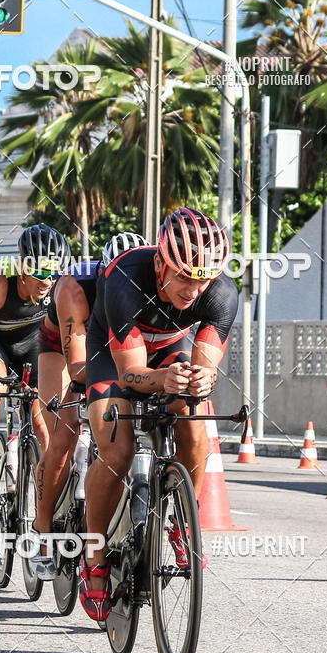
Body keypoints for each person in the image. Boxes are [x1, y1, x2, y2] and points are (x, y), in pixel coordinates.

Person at [80, 207, 239, 622]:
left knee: (195, 421)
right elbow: (131, 374)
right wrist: (161, 379)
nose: (194, 289)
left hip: (171, 347)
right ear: (159, 264)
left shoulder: (222, 294)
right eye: (183, 276)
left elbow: (205, 366)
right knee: (116, 452)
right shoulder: (125, 277)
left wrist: (201, 380)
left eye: (203, 279)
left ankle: (181, 521)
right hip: (112, 355)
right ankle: (93, 555)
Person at [32, 232, 149, 573]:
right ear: (103, 273)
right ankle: (42, 530)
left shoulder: (148, 286)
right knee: (63, 436)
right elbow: (79, 368)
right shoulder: (75, 286)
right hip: (63, 348)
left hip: (113, 347)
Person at [0, 223, 69, 504]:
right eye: (40, 272)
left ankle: (52, 503)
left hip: (34, 344)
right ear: (22, 266)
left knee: (46, 422)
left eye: (54, 272)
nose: (47, 281)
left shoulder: (62, 285)